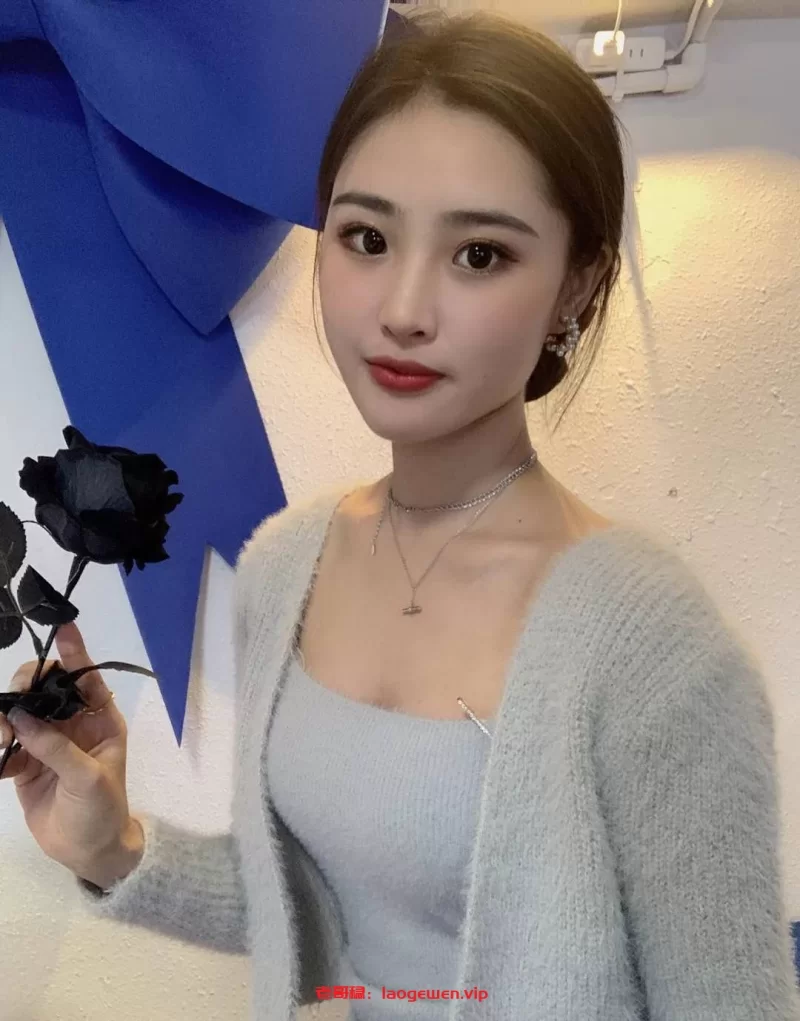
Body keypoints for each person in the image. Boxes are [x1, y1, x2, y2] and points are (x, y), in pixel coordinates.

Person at [2, 10, 799, 1021]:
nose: (403, 309)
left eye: (480, 254)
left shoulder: (656, 650)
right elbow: (322, 910)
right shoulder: (288, 563)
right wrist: (111, 842)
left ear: (578, 283)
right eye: (368, 238)